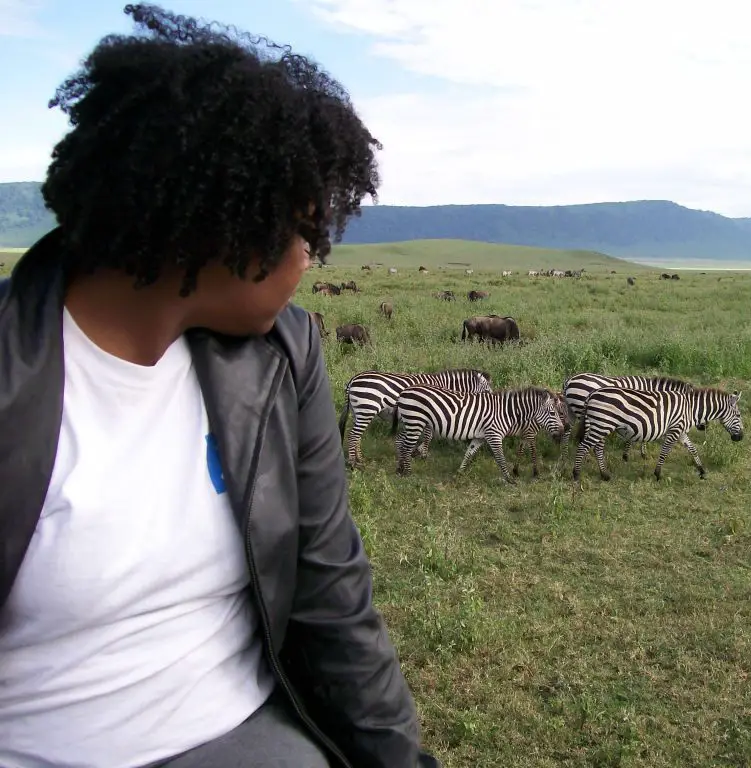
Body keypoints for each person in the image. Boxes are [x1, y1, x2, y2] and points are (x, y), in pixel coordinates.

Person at [0, 4, 438, 767]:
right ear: (226, 233)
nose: (312, 259)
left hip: (238, 738)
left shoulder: (283, 356)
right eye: (306, 235)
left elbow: (332, 594)